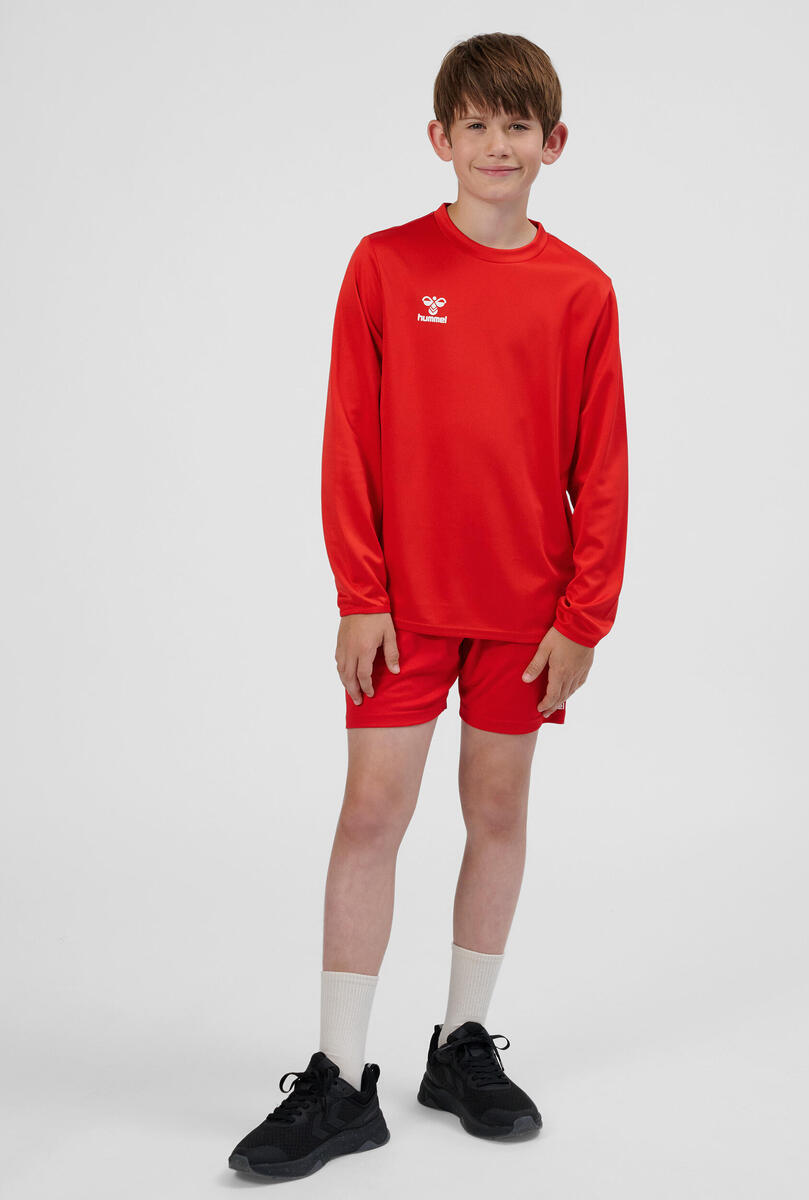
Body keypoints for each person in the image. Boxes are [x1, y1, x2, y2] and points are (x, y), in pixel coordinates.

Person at [228, 30, 628, 1179]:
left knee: (496, 813)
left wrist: (583, 617)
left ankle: (460, 1046)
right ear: (440, 138)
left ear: (554, 143)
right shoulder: (387, 266)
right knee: (372, 814)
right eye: (476, 124)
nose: (497, 145)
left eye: (518, 126)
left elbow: (602, 467)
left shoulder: (582, 291)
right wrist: (360, 593)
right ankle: (339, 1074)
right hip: (401, 609)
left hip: (526, 615)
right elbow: (348, 440)